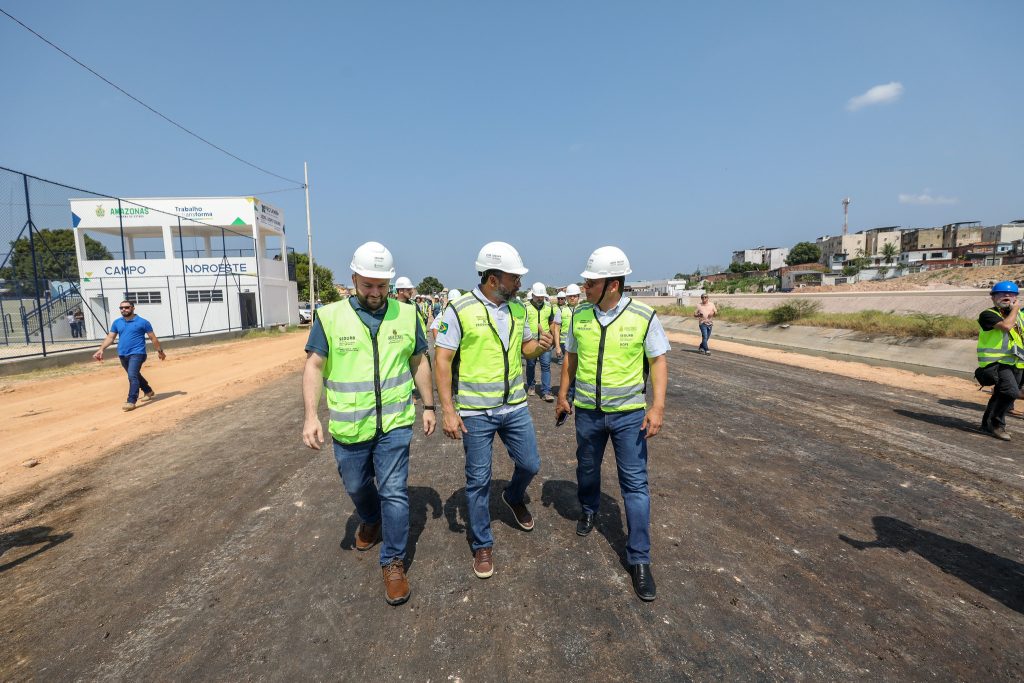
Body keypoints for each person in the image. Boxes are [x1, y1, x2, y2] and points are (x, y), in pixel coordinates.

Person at [301, 241, 435, 606]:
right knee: (357, 484)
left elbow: (419, 361)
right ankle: (369, 517)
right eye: (367, 285)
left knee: (394, 491)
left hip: (394, 425)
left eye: (382, 286)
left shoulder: (407, 316)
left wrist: (429, 405)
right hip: (350, 426)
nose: (375, 293)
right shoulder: (329, 316)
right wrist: (311, 416)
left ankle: (392, 562)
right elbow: (314, 365)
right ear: (354, 278)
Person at [555, 246, 670, 602]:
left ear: (614, 285)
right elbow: (571, 358)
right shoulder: (579, 316)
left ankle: (639, 559)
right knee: (587, 470)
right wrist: (562, 394)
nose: (585, 286)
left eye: (591, 281)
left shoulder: (643, 316)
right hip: (587, 412)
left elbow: (659, 362)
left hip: (629, 416)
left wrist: (658, 407)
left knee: (634, 485)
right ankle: (589, 510)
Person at [434, 241, 552, 579]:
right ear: (492, 278)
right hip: (475, 411)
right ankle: (482, 543)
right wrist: (448, 409)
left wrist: (539, 346)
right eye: (514, 278)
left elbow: (526, 349)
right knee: (478, 480)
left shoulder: (519, 310)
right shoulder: (459, 310)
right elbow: (442, 359)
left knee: (530, 463)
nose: (519, 284)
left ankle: (513, 495)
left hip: (514, 406)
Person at [92, 300, 166, 411]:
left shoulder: (143, 322)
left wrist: (160, 351)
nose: (124, 310)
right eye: (121, 308)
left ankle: (131, 401)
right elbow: (110, 337)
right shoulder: (117, 322)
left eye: (126, 307)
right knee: (135, 375)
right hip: (122, 354)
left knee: (132, 376)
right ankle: (148, 391)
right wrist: (101, 349)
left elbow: (153, 338)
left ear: (133, 308)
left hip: (138, 353)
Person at [975, 280, 1024, 441]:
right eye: (1002, 294)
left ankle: (986, 424)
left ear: (1017, 296)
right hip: (997, 362)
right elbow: (1006, 326)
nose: (1007, 296)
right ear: (993, 297)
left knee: (1000, 394)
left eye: (1011, 294)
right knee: (1011, 392)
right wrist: (1016, 308)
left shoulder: (1021, 316)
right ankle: (997, 425)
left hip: (1016, 362)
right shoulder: (988, 315)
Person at [524, 282, 561, 402]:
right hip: (531, 342)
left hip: (546, 343)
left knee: (546, 366)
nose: (540, 299)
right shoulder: (526, 308)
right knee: (530, 365)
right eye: (537, 296)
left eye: (542, 297)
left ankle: (546, 391)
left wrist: (554, 338)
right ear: (533, 295)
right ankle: (531, 385)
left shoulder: (548, 307)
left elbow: (552, 324)